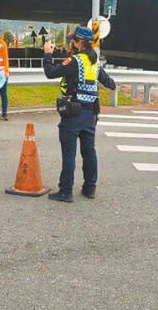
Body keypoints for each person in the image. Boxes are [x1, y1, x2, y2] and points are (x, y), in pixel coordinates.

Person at [42, 26, 116, 202]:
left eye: (72, 40)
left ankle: (65, 191)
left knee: (69, 153)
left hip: (73, 114)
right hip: (90, 115)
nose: (70, 43)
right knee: (89, 152)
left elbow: (50, 72)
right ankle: (90, 188)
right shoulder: (94, 63)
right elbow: (111, 83)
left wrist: (47, 54)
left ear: (79, 43)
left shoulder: (74, 61)